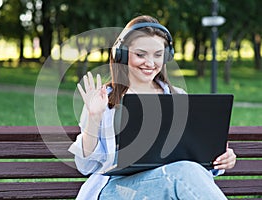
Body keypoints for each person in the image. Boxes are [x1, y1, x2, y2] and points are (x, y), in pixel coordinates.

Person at [69, 15, 236, 200]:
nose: (150, 63)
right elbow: (85, 166)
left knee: (185, 171)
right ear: (122, 54)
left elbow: (195, 158)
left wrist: (220, 159)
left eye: (158, 55)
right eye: (141, 55)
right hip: (115, 190)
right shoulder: (103, 100)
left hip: (165, 184)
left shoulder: (178, 97)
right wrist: (94, 117)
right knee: (182, 173)